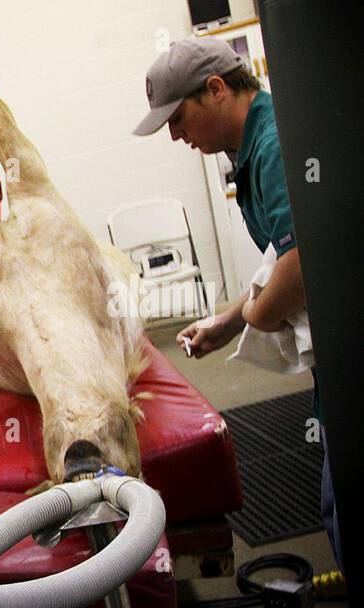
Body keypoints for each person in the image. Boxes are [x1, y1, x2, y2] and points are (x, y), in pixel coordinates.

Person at [133, 37, 343, 578]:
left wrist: (256, 316)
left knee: (341, 510)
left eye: (178, 119)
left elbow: (302, 266)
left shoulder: (273, 145)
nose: (177, 135)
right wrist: (230, 320)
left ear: (217, 89)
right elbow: (281, 252)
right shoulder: (255, 145)